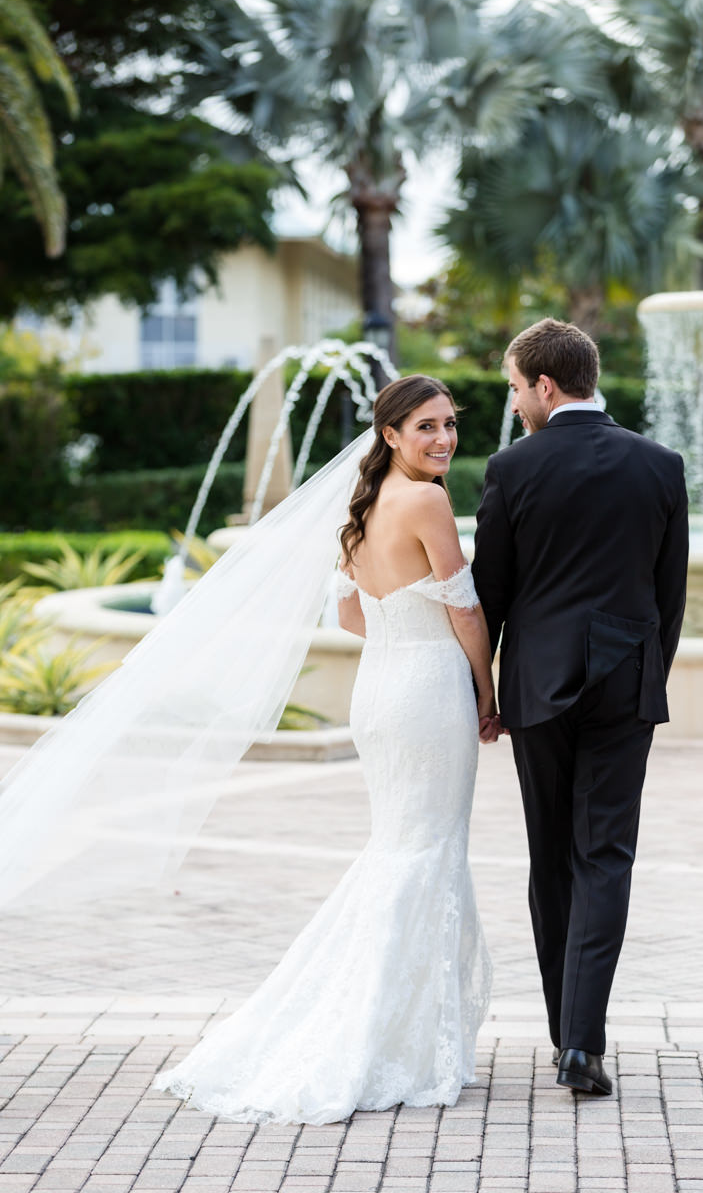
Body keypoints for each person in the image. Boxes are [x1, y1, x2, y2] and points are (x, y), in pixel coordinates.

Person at [153, 374, 497, 1124]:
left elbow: (349, 613)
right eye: (427, 427)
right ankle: (385, 1037)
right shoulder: (429, 501)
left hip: (381, 691)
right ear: (392, 435)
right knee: (425, 852)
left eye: (449, 424)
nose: (443, 438)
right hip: (430, 694)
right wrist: (485, 689)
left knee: (399, 850)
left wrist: (406, 640)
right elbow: (467, 611)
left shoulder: (363, 505)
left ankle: (389, 1025)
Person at [472, 319, 688, 1097]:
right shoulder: (661, 465)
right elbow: (671, 597)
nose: (514, 399)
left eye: (514, 386)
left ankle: (566, 1032)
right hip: (625, 683)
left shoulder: (512, 467)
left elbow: (488, 593)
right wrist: (644, 677)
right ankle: (582, 1046)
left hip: (538, 685)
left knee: (550, 854)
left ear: (545, 386)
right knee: (607, 857)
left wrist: (485, 693)